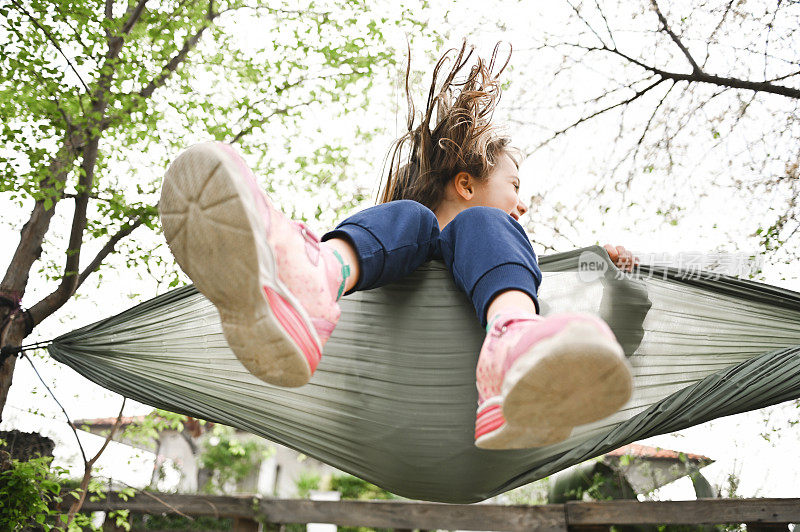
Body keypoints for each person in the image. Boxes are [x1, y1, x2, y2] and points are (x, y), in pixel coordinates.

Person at [159, 42, 637, 450]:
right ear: (465, 184)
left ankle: (515, 339)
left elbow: (616, 359)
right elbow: (418, 224)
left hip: (497, 413)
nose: (524, 204)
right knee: (420, 219)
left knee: (478, 229)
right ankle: (310, 283)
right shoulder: (401, 230)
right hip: (382, 403)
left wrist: (611, 279)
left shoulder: (505, 257)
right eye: (514, 183)